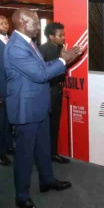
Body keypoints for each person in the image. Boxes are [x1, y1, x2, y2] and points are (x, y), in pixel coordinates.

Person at [4, 8, 82, 208]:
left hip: (38, 105)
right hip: (25, 110)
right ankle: (22, 197)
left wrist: (61, 60)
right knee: (24, 156)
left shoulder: (29, 42)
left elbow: (42, 66)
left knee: (43, 148)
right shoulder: (15, 47)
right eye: (36, 23)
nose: (39, 27)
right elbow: (40, 74)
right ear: (22, 22)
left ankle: (46, 180)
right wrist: (63, 60)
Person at [39, 22, 70, 164]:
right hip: (48, 93)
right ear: (51, 36)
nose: (63, 37)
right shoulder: (43, 50)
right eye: (60, 35)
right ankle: (46, 154)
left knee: (54, 124)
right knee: (47, 125)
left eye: (64, 34)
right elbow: (43, 73)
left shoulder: (58, 48)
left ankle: (52, 153)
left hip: (56, 91)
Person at [0, 15, 14, 166]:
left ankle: (8, 146)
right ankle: (0, 153)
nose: (5, 25)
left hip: (12, 90)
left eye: (6, 23)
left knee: (9, 121)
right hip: (1, 89)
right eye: (1, 23)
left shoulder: (11, 40)